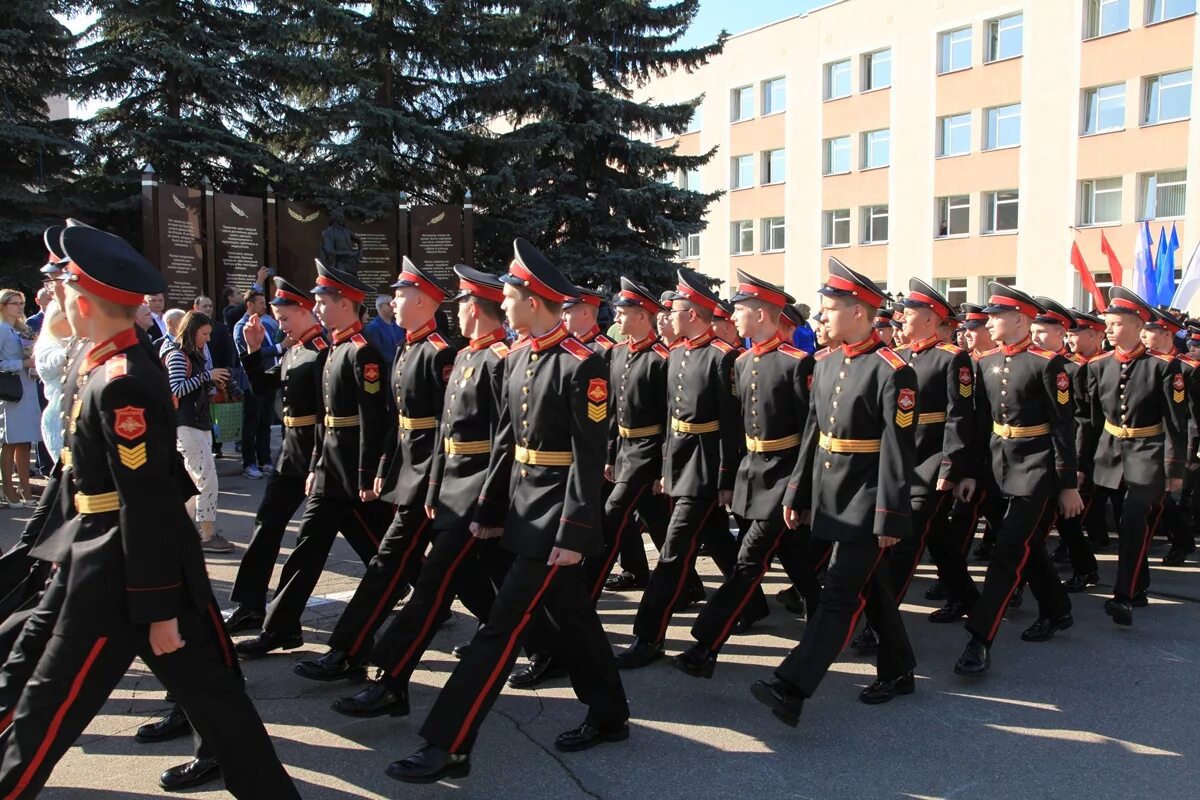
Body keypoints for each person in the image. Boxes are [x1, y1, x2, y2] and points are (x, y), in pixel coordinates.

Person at [0, 223, 300, 798]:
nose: (53, 294)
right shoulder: (102, 363)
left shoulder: (122, 381)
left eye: (61, 287)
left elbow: (147, 499)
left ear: (83, 302)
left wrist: (158, 607)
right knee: (213, 700)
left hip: (119, 572)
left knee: (43, 709)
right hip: (103, 559)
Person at [389, 238, 629, 784]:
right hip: (520, 509)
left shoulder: (582, 365)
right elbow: (505, 442)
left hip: (554, 518)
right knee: (573, 615)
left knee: (500, 627)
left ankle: (448, 742)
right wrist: (489, 508)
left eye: (511, 292)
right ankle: (610, 712)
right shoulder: (518, 356)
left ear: (534, 301)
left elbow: (587, 462)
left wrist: (574, 532)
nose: (504, 299)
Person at [331, 264, 513, 718]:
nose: (392, 302)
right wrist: (409, 476)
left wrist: (490, 504)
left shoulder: (486, 358)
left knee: (434, 583)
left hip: (474, 490)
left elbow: (504, 439)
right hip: (440, 481)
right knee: (478, 576)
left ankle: (391, 678)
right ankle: (553, 647)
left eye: (465, 302)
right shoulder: (461, 354)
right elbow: (428, 429)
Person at [752, 257, 917, 727]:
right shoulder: (824, 364)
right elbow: (812, 434)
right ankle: (899, 667)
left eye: (829, 310)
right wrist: (796, 495)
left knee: (840, 594)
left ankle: (792, 687)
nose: (821, 318)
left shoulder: (893, 371)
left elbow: (897, 452)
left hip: (867, 499)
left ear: (859, 312)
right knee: (873, 588)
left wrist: (889, 518)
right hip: (829, 493)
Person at [293, 256, 457, 681]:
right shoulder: (405, 345)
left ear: (422, 302)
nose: (393, 303)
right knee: (467, 570)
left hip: (431, 477)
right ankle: (542, 640)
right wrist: (385, 465)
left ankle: (349, 651)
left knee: (389, 562)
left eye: (401, 297)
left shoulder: (441, 353)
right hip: (410, 471)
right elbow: (393, 418)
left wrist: (433, 479)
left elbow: (445, 426)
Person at [234, 261, 392, 659]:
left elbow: (368, 416)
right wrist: (252, 352)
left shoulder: (338, 351)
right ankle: (266, 615)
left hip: (335, 462)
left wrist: (365, 471)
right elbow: (268, 389)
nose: (281, 325)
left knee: (368, 541)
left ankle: (416, 593)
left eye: (286, 317)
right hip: (310, 456)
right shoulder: (302, 350)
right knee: (293, 532)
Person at [672, 270, 815, 679]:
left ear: (761, 313)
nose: (731, 317)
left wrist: (799, 490)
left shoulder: (796, 363)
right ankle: (826, 619)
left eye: (739, 310)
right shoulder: (742, 362)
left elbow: (810, 433)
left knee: (749, 561)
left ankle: (705, 645)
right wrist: (729, 477)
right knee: (796, 557)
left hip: (783, 476)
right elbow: (736, 428)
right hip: (751, 474)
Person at [614, 267, 747, 670]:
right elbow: (671, 420)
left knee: (672, 553)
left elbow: (731, 427)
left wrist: (726, 480)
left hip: (707, 468)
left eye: (675, 311)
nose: (666, 317)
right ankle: (753, 604)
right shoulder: (676, 355)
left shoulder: (724, 359)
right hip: (681, 465)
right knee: (714, 539)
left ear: (693, 314)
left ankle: (648, 636)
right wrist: (664, 473)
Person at [952, 283, 1081, 677]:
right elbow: (978, 423)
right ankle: (1057, 609)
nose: (988, 322)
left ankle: (979, 639)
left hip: (1035, 467)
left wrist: (1067, 483)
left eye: (996, 316)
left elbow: (1063, 427)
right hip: (995, 464)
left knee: (1008, 549)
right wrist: (972, 471)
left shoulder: (1048, 364)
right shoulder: (985, 361)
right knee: (1025, 546)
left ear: (1020, 319)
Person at [857, 279, 978, 648]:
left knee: (904, 544)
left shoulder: (951, 357)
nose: (900, 319)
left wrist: (950, 467)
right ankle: (969, 598)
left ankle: (878, 626)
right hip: (901, 461)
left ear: (929, 319)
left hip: (930, 462)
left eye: (908, 314)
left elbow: (961, 416)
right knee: (938, 537)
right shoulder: (899, 356)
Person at [1080, 294, 1187, 626]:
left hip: (1149, 452)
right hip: (1110, 453)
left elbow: (1175, 421)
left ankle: (1122, 595)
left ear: (1139, 326)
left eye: (1117, 324)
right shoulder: (1097, 366)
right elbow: (1091, 421)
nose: (1109, 329)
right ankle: (1139, 586)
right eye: (1107, 324)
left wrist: (1174, 468)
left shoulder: (1163, 367)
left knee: (1132, 518)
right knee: (1124, 518)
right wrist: (1082, 465)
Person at [165, 311, 232, 554]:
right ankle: (207, 535)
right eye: (204, 334)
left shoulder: (195, 355)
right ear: (192, 332)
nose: (208, 339)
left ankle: (181, 530)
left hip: (197, 423)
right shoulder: (177, 356)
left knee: (195, 481)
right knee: (206, 479)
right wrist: (207, 376)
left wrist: (214, 384)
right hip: (186, 425)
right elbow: (176, 389)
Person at [233, 289, 280, 479]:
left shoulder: (265, 325)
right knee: (251, 423)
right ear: (249, 305)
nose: (264, 305)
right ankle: (249, 462)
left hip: (268, 379)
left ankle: (265, 460)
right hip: (252, 381)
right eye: (260, 302)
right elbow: (251, 353)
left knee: (265, 423)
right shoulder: (242, 326)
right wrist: (280, 347)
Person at [0, 289, 40, 508]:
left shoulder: (22, 329)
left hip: (27, 386)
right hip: (11, 391)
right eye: (14, 303)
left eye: (21, 303)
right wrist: (22, 364)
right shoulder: (1, 330)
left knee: (24, 440)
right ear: (3, 306)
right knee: (10, 441)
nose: (19, 307)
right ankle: (8, 491)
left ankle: (25, 489)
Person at [32, 301, 72, 462]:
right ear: (53, 321)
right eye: (66, 318)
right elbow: (53, 362)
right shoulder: (46, 346)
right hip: (58, 417)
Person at [363, 293, 405, 365]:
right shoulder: (373, 328)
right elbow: (378, 354)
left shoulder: (399, 325)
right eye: (389, 304)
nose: (393, 306)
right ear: (381, 306)